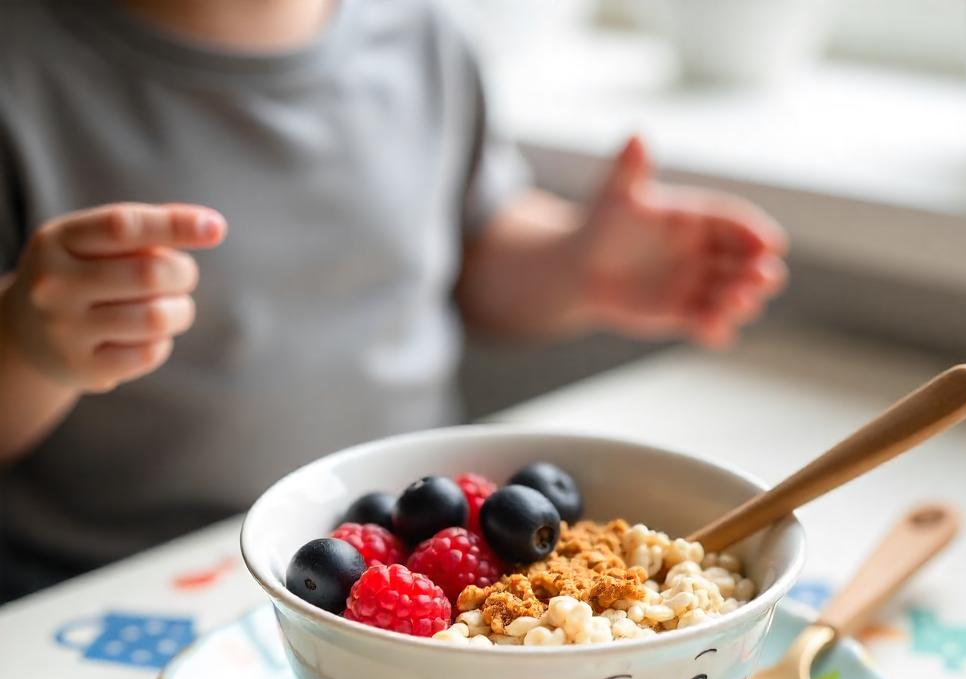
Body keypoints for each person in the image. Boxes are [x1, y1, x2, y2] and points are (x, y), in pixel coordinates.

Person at [0, 0, 787, 601]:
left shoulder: (420, 36)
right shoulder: (25, 67)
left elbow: (473, 251)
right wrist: (31, 344)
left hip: (398, 581)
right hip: (111, 584)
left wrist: (577, 264)